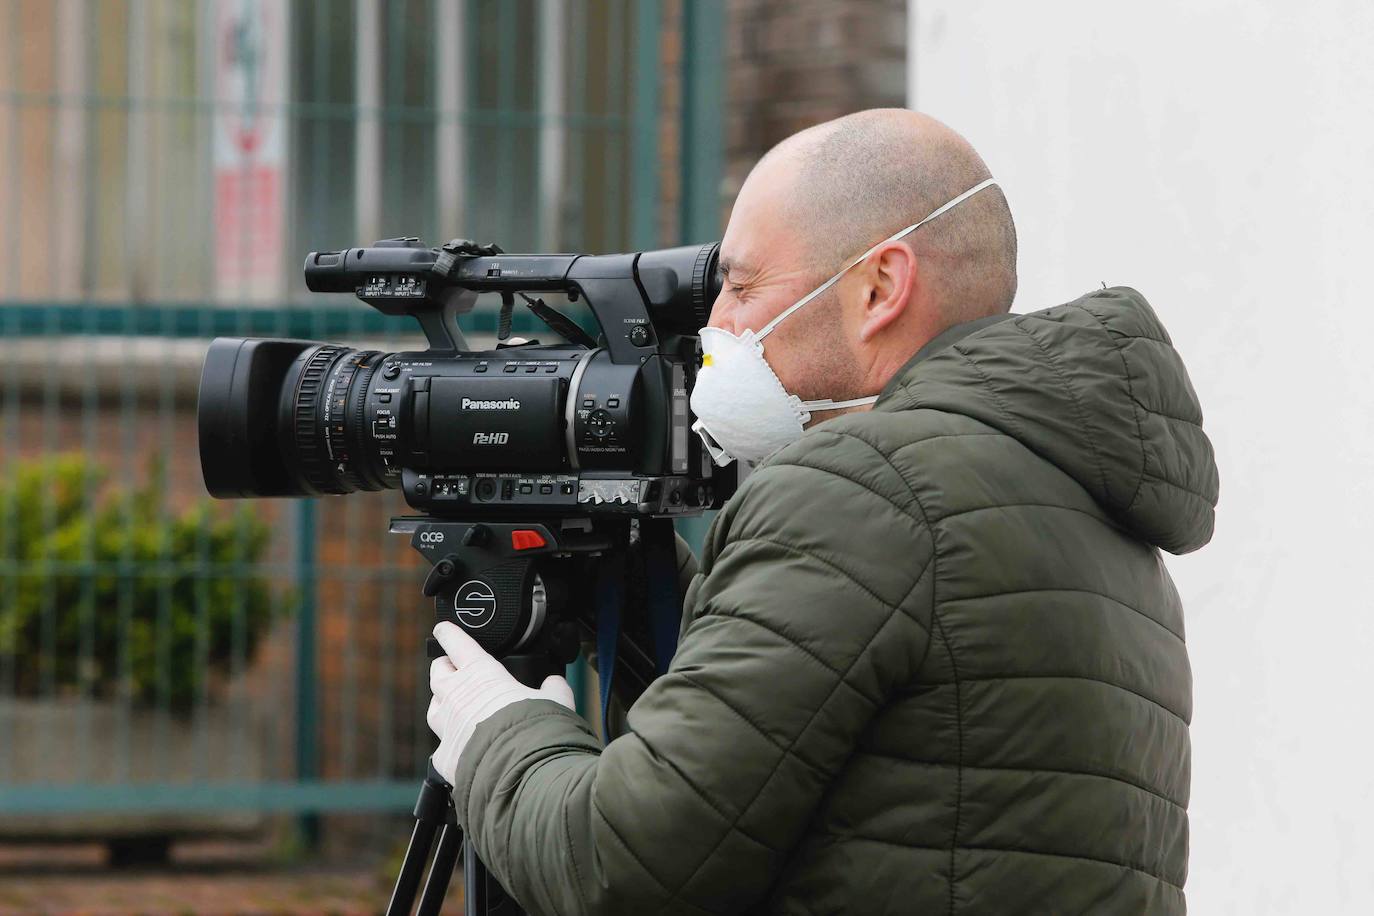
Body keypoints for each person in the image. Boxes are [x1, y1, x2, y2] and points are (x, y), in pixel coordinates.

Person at [426, 108, 1218, 914]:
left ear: (879, 287)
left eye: (740, 285)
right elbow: (799, 767)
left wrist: (498, 737)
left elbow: (622, 865)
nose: (717, 328)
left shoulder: (866, 490)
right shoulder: (1076, 498)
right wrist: (625, 566)